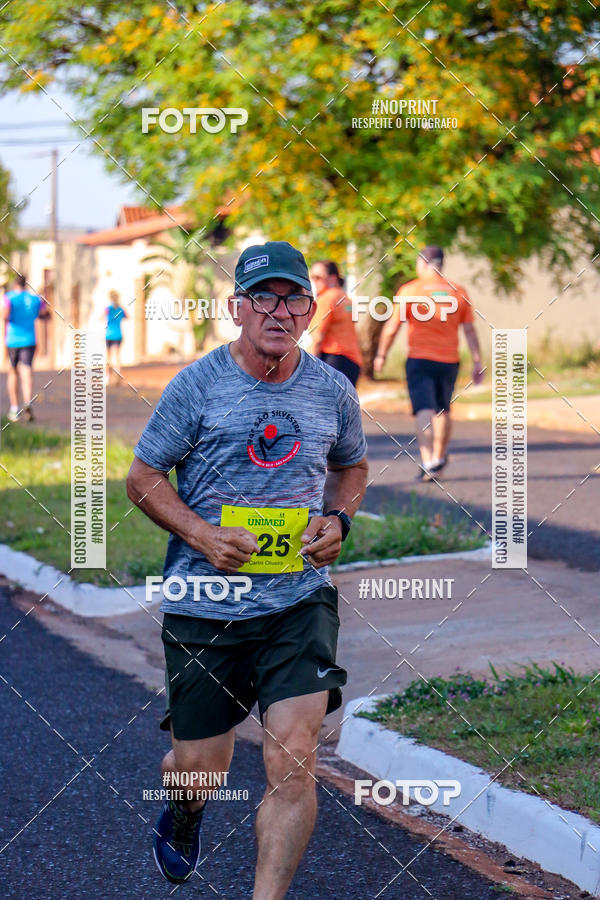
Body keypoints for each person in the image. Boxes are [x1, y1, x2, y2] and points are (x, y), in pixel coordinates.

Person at [127, 240, 368, 894]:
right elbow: (143, 476)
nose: (278, 311)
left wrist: (337, 520)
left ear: (310, 310)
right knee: (200, 767)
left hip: (298, 603)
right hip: (206, 606)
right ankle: (186, 808)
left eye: (293, 298)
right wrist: (203, 535)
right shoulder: (197, 387)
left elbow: (352, 465)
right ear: (237, 307)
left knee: (293, 760)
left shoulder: (330, 391)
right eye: (264, 297)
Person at [374, 245, 483, 481]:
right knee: (444, 409)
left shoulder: (411, 290)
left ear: (422, 264)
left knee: (424, 409)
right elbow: (470, 330)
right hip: (449, 360)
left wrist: (381, 354)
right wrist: (477, 360)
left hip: (419, 359)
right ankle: (439, 460)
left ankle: (428, 460)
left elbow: (392, 327)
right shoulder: (458, 291)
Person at [307, 260, 362, 387]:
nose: (314, 281)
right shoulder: (346, 299)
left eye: (318, 277)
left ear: (332, 278)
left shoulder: (326, 299)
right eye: (312, 277)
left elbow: (318, 337)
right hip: (352, 362)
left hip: (333, 360)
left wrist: (306, 366)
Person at [3, 273, 48, 422]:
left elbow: (4, 315)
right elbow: (44, 314)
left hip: (13, 340)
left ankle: (14, 408)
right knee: (27, 370)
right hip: (29, 339)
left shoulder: (9, 298)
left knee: (13, 371)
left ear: (15, 283)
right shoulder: (34, 299)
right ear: (25, 283)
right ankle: (27, 402)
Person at [104, 289, 127, 386]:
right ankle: (118, 376)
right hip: (118, 335)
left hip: (109, 334)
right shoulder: (121, 309)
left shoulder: (108, 309)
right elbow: (127, 316)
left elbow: (101, 316)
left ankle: (107, 378)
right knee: (117, 356)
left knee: (108, 356)